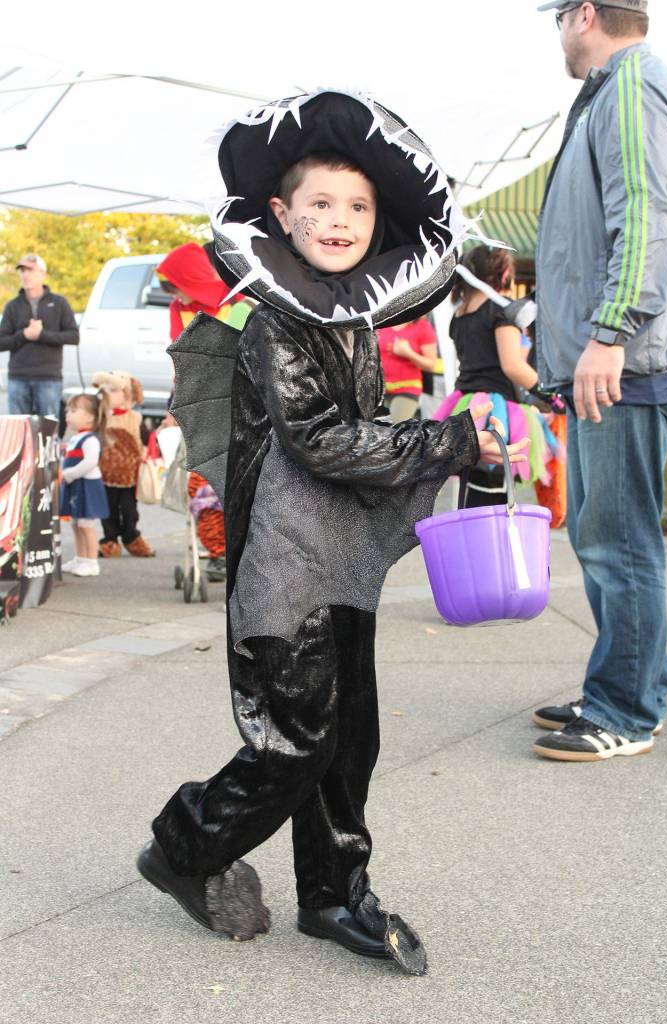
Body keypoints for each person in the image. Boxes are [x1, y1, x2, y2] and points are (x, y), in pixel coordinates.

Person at [136, 89, 528, 976]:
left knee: (350, 736)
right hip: (283, 569)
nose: (338, 219)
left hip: (337, 562)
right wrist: (447, 438)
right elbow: (320, 438)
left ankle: (333, 893)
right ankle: (183, 843)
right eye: (318, 203)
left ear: (376, 218)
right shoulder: (279, 320)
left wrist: (464, 448)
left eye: (356, 206)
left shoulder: (348, 316)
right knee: (294, 737)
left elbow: (366, 436)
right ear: (280, 212)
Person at [532, 0, 667, 761]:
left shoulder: (628, 86)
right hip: (603, 364)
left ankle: (626, 711)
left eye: (555, 14)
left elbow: (648, 217)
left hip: (622, 363)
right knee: (599, 537)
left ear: (583, 13)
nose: (555, 30)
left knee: (617, 543)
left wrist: (608, 333)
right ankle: (616, 684)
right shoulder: (614, 89)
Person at [156, 242, 255, 578]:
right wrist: (175, 404)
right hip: (199, 406)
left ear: (193, 277)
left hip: (238, 405)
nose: (178, 297)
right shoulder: (177, 308)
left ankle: (238, 551)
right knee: (202, 482)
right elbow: (180, 359)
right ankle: (217, 550)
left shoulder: (239, 305)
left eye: (178, 287)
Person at [436, 245, 561, 507]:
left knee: (475, 481)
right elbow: (513, 366)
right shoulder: (503, 311)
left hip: (466, 404)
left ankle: (474, 543)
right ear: (504, 274)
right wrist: (553, 398)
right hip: (497, 408)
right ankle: (491, 545)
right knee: (496, 488)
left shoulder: (460, 313)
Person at [0, 254, 79, 417]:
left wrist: (42, 335)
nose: (25, 275)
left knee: (48, 430)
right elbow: (2, 342)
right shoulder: (12, 306)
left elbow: (73, 336)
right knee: (18, 432)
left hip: (48, 377)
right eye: (22, 270)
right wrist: (23, 335)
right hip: (18, 377)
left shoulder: (59, 303)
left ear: (42, 274)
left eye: (30, 270)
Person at [91, 371, 155, 558]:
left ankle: (131, 537)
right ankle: (110, 539)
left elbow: (146, 438)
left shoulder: (135, 418)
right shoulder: (101, 417)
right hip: (105, 474)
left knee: (129, 510)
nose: (106, 394)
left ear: (127, 394)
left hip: (129, 475)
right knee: (107, 509)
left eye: (113, 390)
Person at [60, 394, 109, 577]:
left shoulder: (90, 439)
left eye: (73, 411)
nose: (68, 415)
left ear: (90, 417)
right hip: (75, 484)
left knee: (86, 525)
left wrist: (69, 474)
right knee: (75, 524)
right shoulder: (75, 438)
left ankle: (91, 561)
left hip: (86, 485)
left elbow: (90, 462)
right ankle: (80, 558)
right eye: (67, 411)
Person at [376, 318, 437, 423]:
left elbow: (431, 364)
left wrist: (408, 353)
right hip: (380, 390)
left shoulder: (422, 326)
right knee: (378, 428)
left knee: (394, 429)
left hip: (406, 390)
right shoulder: (383, 322)